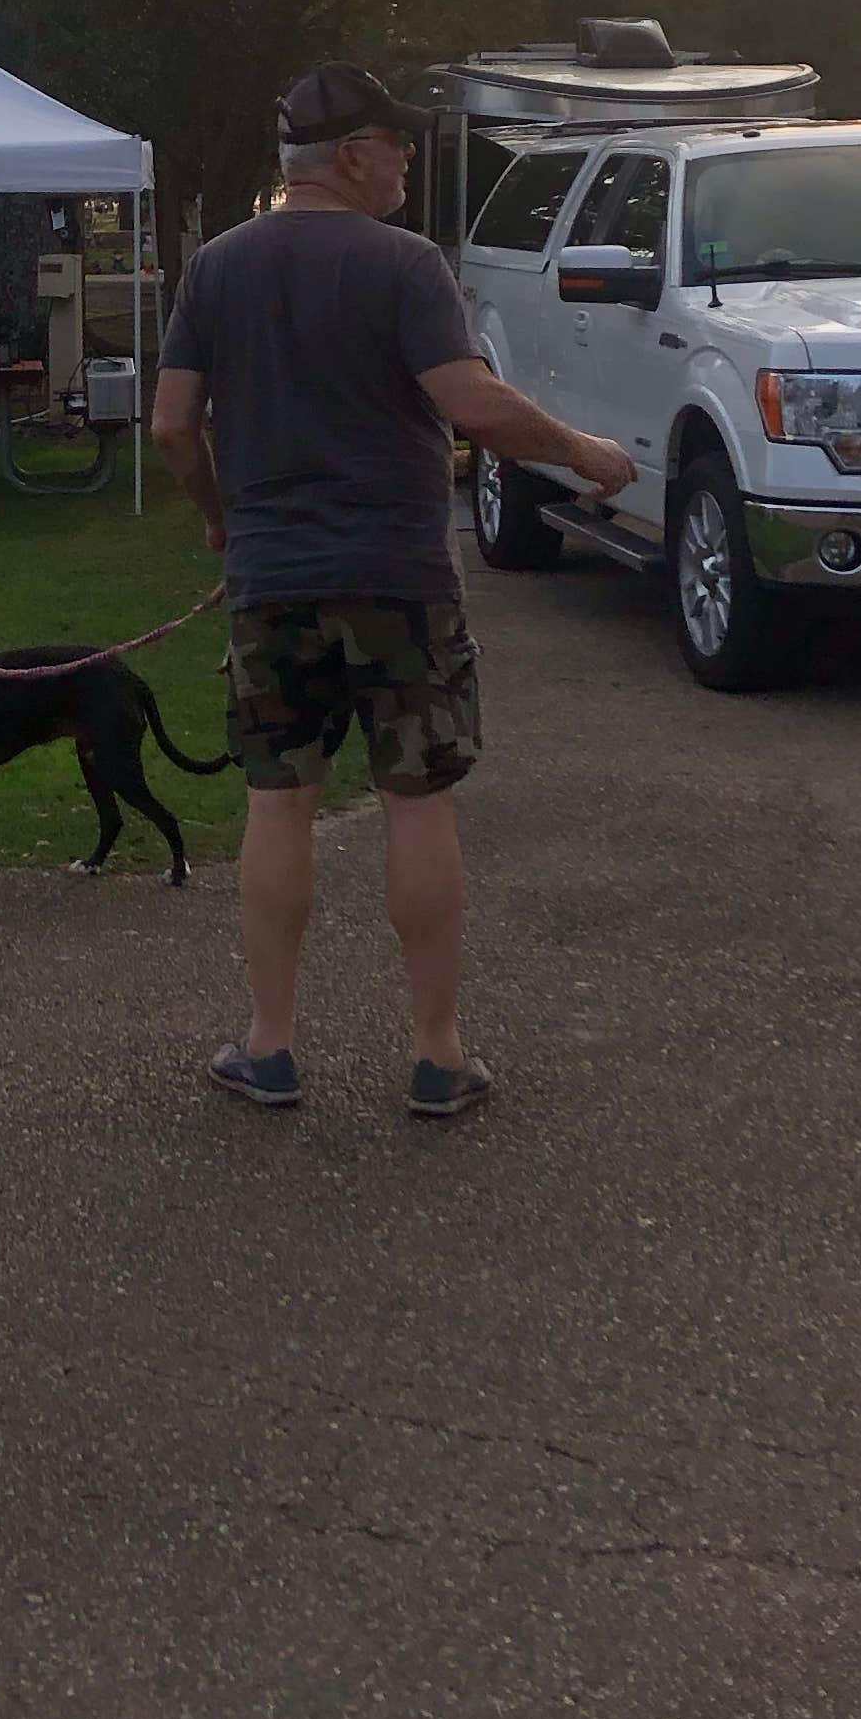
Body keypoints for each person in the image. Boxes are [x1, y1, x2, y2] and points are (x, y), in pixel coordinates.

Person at [152, 65, 638, 1121]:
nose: (411, 156)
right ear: (350, 155)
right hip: (399, 582)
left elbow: (172, 426)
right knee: (417, 801)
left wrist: (220, 517)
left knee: (279, 799)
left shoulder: (216, 267)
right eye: (398, 141)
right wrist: (582, 451)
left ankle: (269, 1047)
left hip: (273, 580)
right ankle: (437, 1056)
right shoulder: (406, 264)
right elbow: (471, 403)